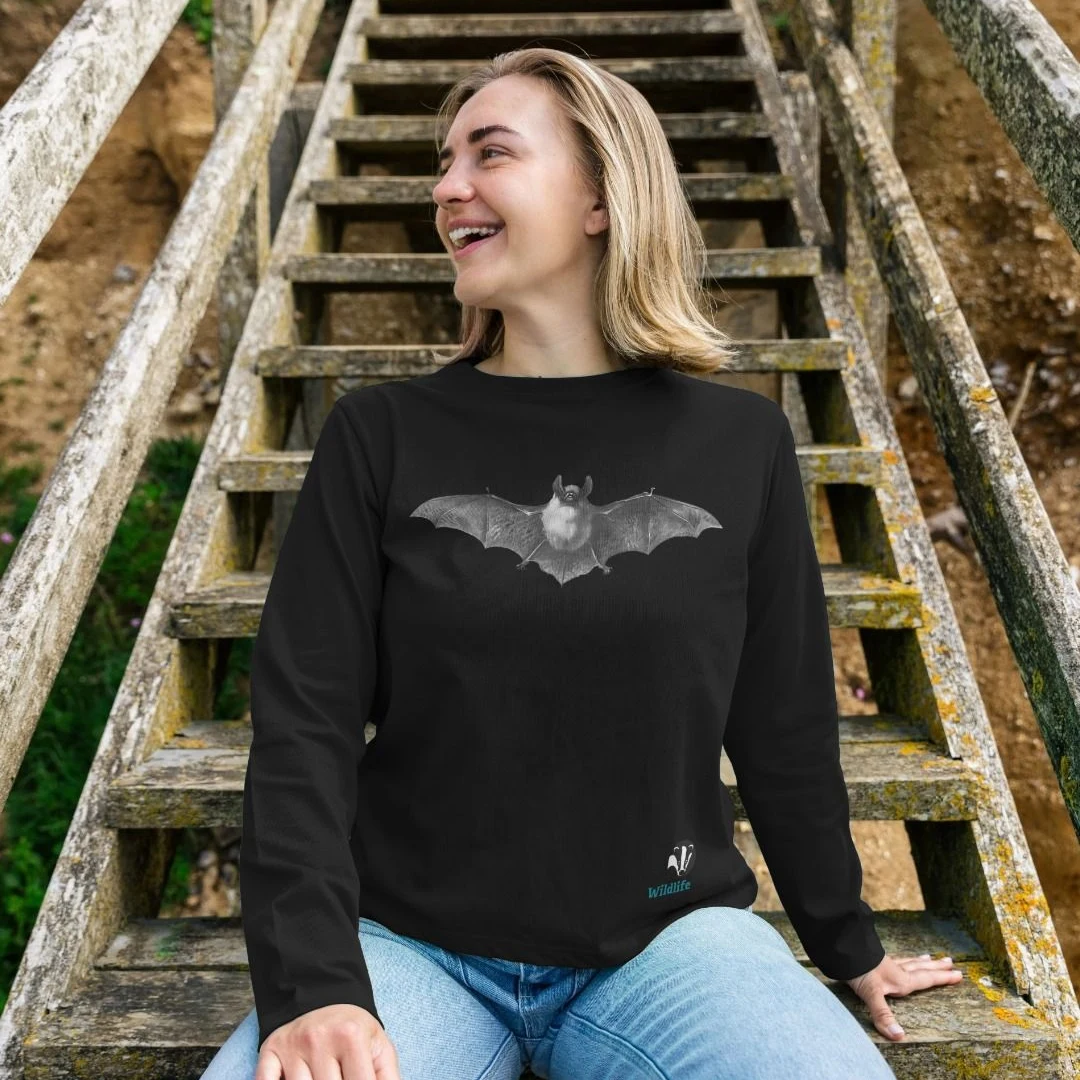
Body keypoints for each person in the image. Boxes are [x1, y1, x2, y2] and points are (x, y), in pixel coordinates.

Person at [201, 47, 963, 1080]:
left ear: (602, 197)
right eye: (443, 161)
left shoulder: (739, 444)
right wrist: (315, 984)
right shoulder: (380, 437)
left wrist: (846, 940)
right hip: (408, 945)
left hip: (667, 944)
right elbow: (305, 725)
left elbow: (782, 722)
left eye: (490, 153)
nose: (446, 187)